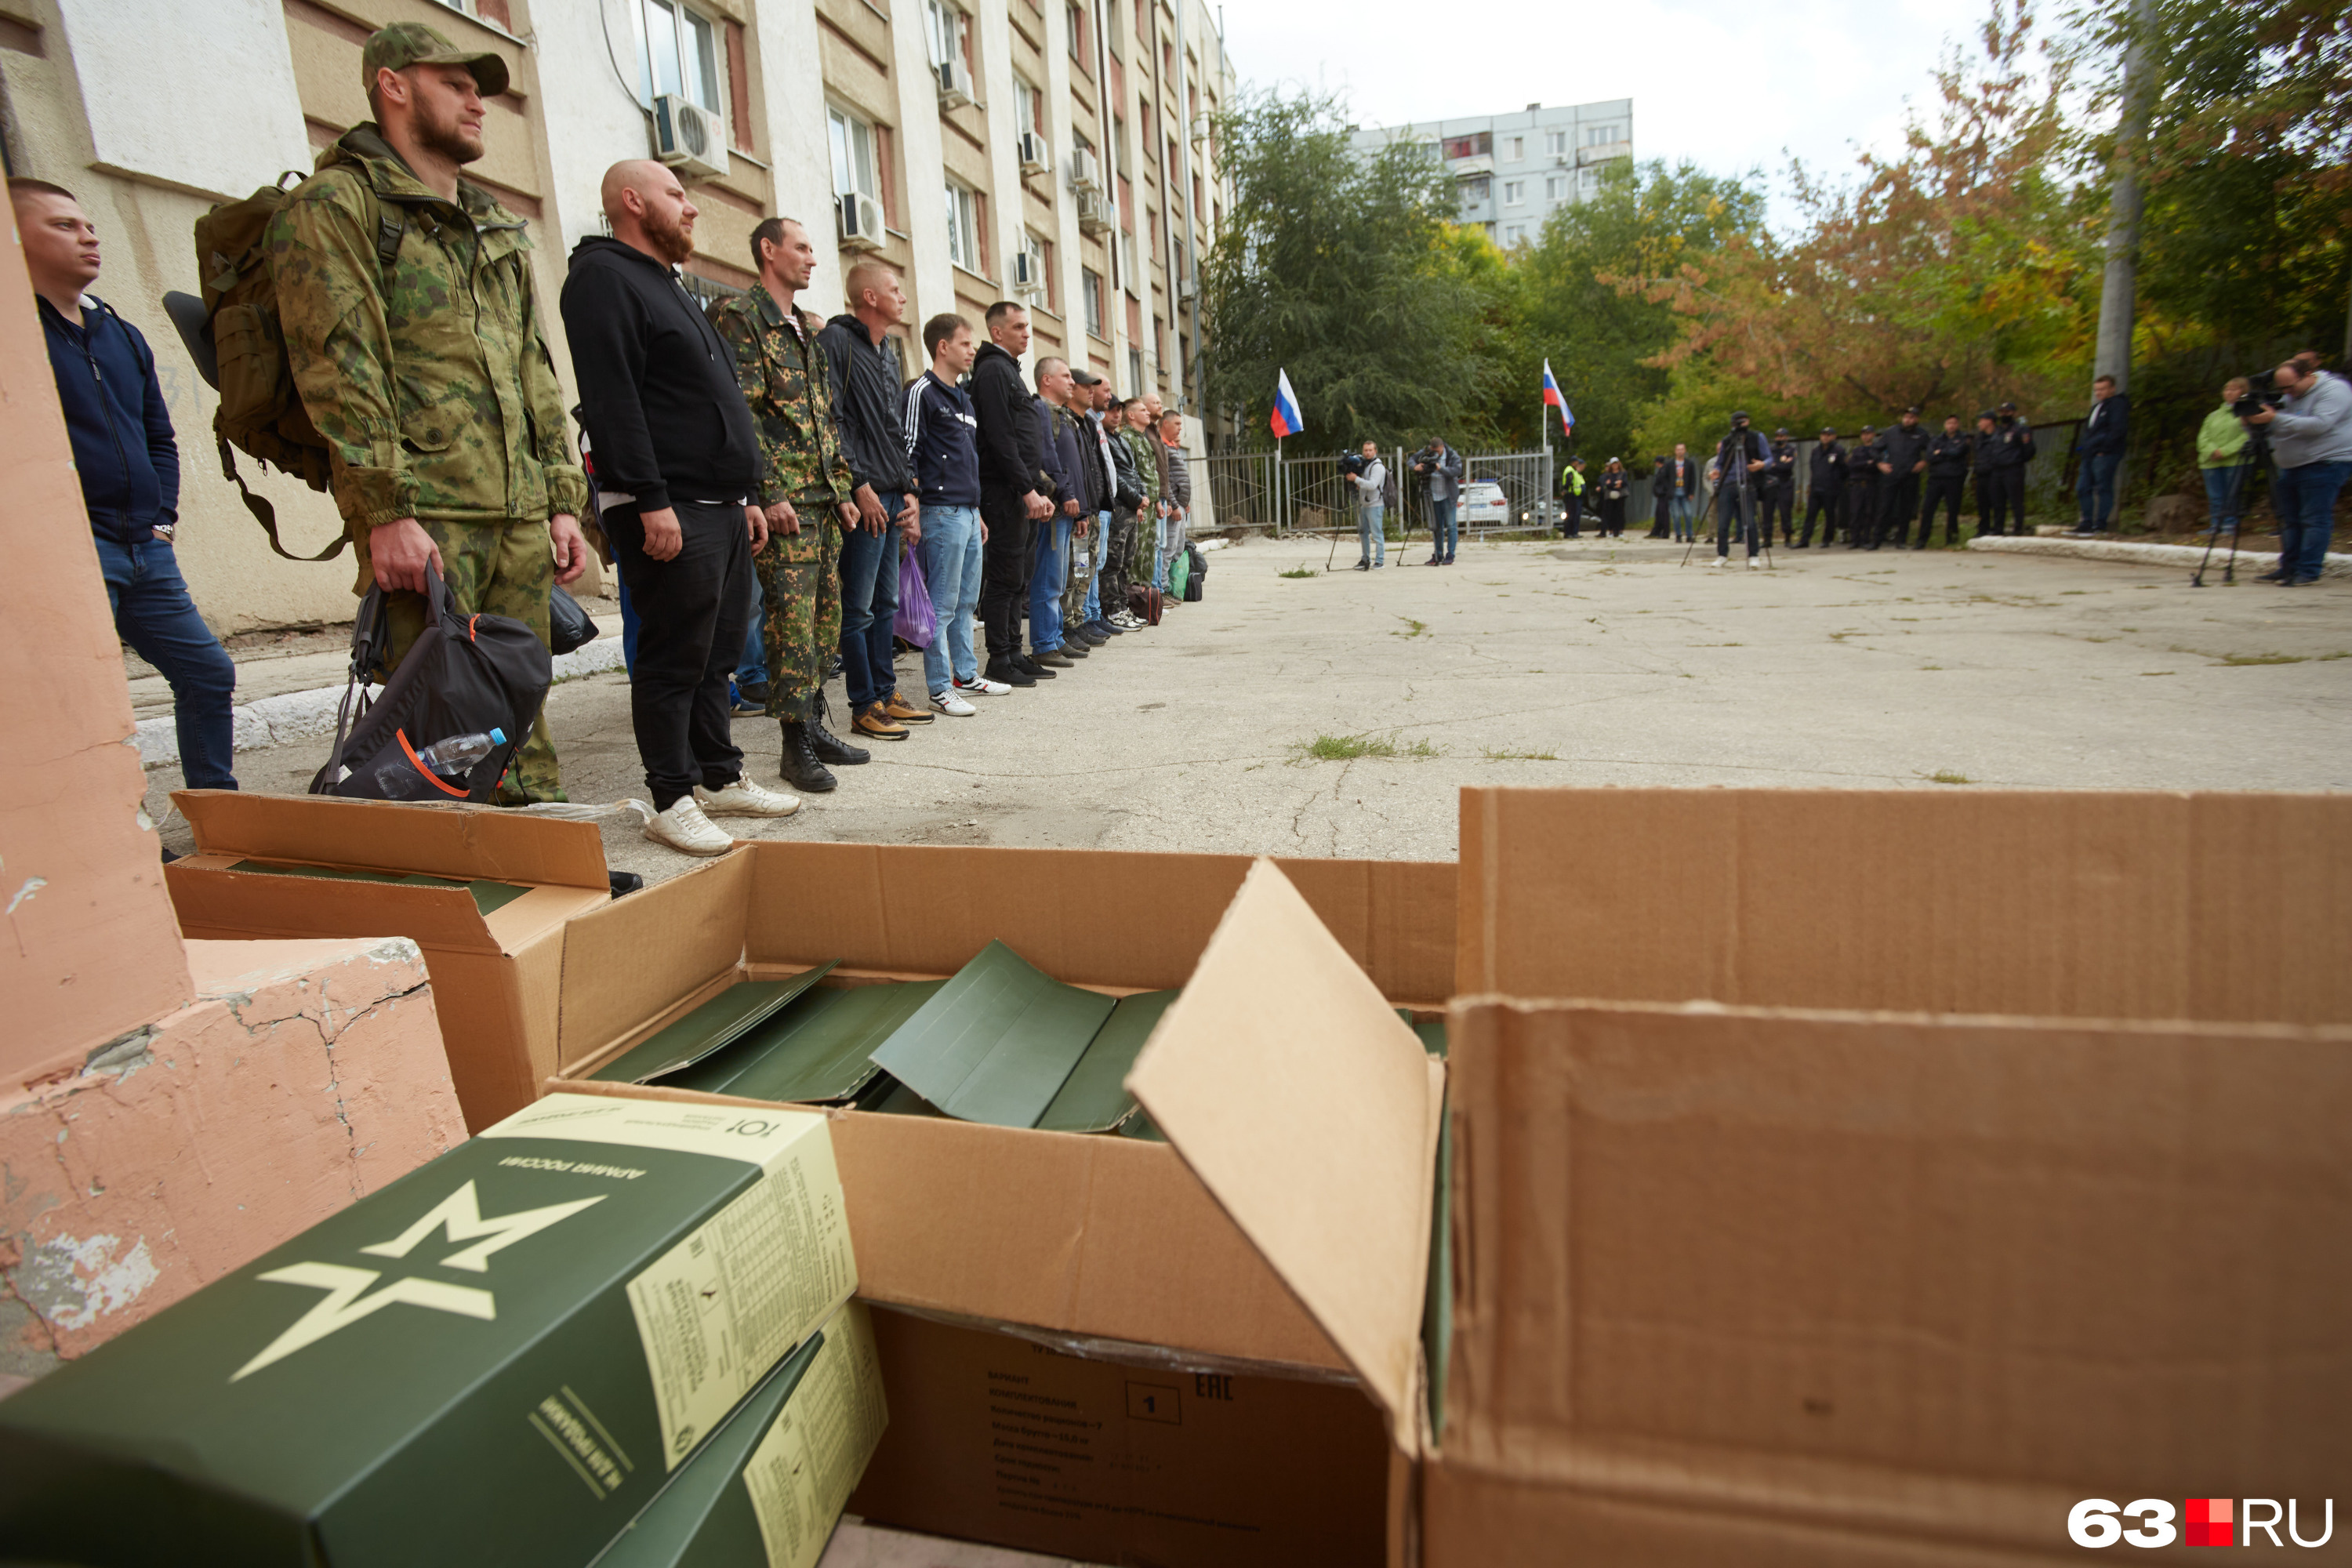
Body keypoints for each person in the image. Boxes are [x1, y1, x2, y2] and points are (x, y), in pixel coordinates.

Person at [270, 23, 589, 803]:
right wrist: (385, 509)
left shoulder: (491, 224)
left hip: (518, 512)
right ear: (394, 85)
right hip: (427, 513)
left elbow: (532, 366)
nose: (478, 102)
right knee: (435, 736)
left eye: (480, 89)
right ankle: (449, 889)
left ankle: (537, 866)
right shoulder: (336, 204)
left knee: (523, 714)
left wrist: (560, 499)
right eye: (458, 84)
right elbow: (340, 363)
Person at [562, 162, 799, 854]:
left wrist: (745, 496)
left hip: (718, 507)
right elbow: (614, 401)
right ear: (632, 202)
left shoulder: (667, 284)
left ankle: (719, 775)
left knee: (718, 654)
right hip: (666, 506)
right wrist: (648, 499)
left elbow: (707, 401)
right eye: (675, 195)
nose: (690, 208)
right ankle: (671, 795)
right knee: (673, 658)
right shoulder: (603, 278)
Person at [17, 177, 238, 797]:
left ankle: (220, 812)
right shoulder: (15, 333)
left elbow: (159, 439)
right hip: (71, 549)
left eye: (88, 224)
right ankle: (126, 832)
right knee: (89, 700)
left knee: (206, 673)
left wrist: (161, 521)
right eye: (63, 225)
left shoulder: (119, 334)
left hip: (144, 548)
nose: (88, 235)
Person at [706, 216, 877, 782]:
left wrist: (844, 487)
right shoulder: (741, 318)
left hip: (821, 501)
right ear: (768, 249)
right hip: (785, 506)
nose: (812, 258)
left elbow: (825, 420)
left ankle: (813, 724)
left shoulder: (804, 327)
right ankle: (792, 745)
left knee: (824, 625)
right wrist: (765, 491)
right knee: (789, 625)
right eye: (801, 247)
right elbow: (742, 414)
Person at [818, 257, 929, 749]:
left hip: (890, 491)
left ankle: (885, 692)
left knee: (886, 601)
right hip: (863, 496)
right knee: (858, 606)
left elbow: (891, 430)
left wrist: (909, 487)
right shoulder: (838, 342)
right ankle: (863, 704)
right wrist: (856, 484)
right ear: (869, 297)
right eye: (894, 289)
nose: (902, 297)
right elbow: (832, 420)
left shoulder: (889, 352)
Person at [904, 313, 1003, 709]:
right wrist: (912, 502)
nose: (973, 350)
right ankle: (940, 689)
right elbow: (908, 451)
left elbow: (969, 461)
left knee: (965, 602)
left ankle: (965, 675)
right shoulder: (922, 392)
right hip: (939, 513)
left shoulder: (964, 399)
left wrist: (977, 510)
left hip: (966, 512)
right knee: (941, 605)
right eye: (965, 343)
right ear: (943, 346)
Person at [971, 302, 1056, 685]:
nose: (1027, 333)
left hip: (1019, 490)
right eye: (1019, 326)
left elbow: (1022, 442)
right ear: (997, 332)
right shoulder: (992, 371)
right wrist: (1026, 490)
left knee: (1019, 576)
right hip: (1002, 490)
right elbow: (1001, 439)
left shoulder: (1009, 371)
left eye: (1028, 327)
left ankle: (1014, 652)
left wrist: (1036, 488)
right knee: (1005, 577)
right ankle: (999, 659)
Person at [2244, 353, 2352, 586]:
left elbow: (2319, 425)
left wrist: (2275, 418)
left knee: (2314, 519)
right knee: (2289, 520)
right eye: (2281, 388)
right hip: (2292, 466)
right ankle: (2289, 568)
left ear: (2308, 375)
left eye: (2290, 387)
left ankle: (2308, 571)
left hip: (2325, 463)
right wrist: (2254, 423)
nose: (2286, 393)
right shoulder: (2291, 395)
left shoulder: (2335, 390)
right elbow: (2281, 428)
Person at [1026, 358, 1086, 667]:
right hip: (1054, 507)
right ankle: (1044, 643)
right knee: (1047, 579)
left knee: (1059, 580)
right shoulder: (1042, 411)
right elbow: (1043, 459)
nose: (1072, 382)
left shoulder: (1062, 415)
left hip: (1066, 508)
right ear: (1046, 380)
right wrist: (1062, 493)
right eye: (1066, 376)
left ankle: (1055, 636)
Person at [1058, 368, 1112, 644]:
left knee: (1086, 569)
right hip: (1078, 512)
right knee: (1074, 570)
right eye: (1086, 387)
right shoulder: (1065, 423)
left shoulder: (1085, 424)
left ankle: (1079, 619)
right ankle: (1069, 624)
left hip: (1090, 511)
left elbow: (1092, 470)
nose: (1092, 391)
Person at [1098, 384, 1146, 630]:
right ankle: (1112, 610)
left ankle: (1124, 607)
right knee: (1112, 564)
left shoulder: (1119, 439)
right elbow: (1114, 476)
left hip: (1130, 508)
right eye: (1111, 410)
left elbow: (1133, 472)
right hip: (1118, 508)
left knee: (1125, 563)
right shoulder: (1103, 439)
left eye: (1118, 411)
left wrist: (1143, 496)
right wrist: (1136, 498)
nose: (1116, 415)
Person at [1117, 398, 1165, 612]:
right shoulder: (1127, 438)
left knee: (1148, 553)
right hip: (1138, 504)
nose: (1148, 413)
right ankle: (1135, 601)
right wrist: (1138, 503)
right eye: (1143, 410)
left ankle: (1147, 600)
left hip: (1150, 503)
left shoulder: (1142, 438)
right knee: (1136, 557)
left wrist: (1156, 502)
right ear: (1131, 415)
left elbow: (1150, 474)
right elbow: (1130, 475)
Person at [1710, 412, 1772, 567]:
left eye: (1742, 422)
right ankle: (1722, 555)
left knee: (1750, 521)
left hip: (1748, 482)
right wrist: (1716, 470)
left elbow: (1770, 459)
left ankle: (1753, 555)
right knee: (1723, 522)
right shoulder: (1727, 440)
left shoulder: (1757, 437)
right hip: (1728, 483)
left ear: (1748, 421)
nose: (1740, 425)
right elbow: (1720, 462)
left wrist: (1761, 465)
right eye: (1737, 422)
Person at [2197, 379, 2254, 541]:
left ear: (2243, 392)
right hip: (2210, 461)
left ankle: (2230, 525)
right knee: (2215, 495)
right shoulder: (2213, 415)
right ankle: (2216, 524)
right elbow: (2203, 436)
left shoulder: (2247, 413)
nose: (2228, 393)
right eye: (2226, 389)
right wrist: (2211, 451)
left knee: (2232, 494)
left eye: (2234, 389)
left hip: (2235, 461)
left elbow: (2247, 435)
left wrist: (2225, 451)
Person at [2074, 374, 2129, 535]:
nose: (2099, 392)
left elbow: (2117, 431)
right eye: (2096, 390)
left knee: (2103, 488)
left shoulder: (2118, 405)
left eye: (2103, 389)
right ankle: (2086, 523)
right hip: (2089, 455)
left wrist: (2103, 450)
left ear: (2112, 389)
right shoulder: (2096, 408)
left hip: (2105, 455)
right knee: (2082, 488)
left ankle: (2101, 524)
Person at [1876, 406, 1929, 549]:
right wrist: (1880, 463)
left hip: (1910, 475)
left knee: (1906, 509)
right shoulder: (1891, 432)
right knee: (1885, 507)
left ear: (1916, 419)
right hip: (1892, 474)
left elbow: (1931, 450)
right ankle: (1877, 539)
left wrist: (1924, 461)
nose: (1908, 420)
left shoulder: (1922, 434)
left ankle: (1901, 540)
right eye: (1906, 417)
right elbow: (1876, 449)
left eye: (1912, 417)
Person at [1921, 415, 1972, 547]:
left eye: (1954, 423)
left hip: (1954, 478)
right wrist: (1945, 453)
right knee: (1928, 509)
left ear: (1958, 425)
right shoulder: (1936, 439)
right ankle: (1922, 539)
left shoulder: (1963, 439)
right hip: (1936, 478)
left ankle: (1951, 538)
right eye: (1949, 423)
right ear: (1945, 425)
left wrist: (1941, 452)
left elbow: (1957, 452)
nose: (1951, 426)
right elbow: (1930, 456)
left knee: (1953, 509)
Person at [1414, 438, 1465, 564]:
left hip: (1448, 496)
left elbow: (1456, 471)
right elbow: (1411, 460)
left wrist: (1440, 468)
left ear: (1442, 447)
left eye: (1437, 450)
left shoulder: (1452, 455)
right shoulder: (1428, 452)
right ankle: (1438, 554)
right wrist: (1416, 466)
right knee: (1437, 527)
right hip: (1433, 496)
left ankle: (1450, 554)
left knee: (1451, 526)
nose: (1435, 453)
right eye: (1433, 450)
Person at [1158, 410, 1192, 595]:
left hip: (1179, 505)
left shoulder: (1171, 446)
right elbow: (1166, 479)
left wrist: (1184, 501)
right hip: (1173, 507)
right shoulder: (1162, 447)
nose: (1180, 428)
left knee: (1176, 548)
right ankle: (1163, 590)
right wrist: (1174, 502)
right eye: (1177, 424)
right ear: (1165, 424)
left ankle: (1169, 588)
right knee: (1167, 548)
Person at [1798, 426, 1844, 548]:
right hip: (1816, 488)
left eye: (1828, 435)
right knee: (1810, 515)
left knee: (1830, 515)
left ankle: (1827, 539)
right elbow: (1813, 468)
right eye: (1823, 435)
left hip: (1830, 489)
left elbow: (1844, 470)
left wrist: (1836, 482)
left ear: (1834, 436)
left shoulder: (1838, 451)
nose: (1825, 437)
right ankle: (1804, 540)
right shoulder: (1815, 451)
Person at [1994, 401, 2037, 530]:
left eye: (2007, 412)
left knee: (2016, 501)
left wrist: (2017, 461)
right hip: (1998, 470)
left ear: (2013, 413)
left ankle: (2018, 528)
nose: (2004, 414)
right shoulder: (1998, 430)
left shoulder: (2020, 429)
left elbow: (2029, 450)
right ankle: (1998, 529)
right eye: (2002, 412)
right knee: (1998, 501)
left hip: (2013, 469)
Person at [1844, 426, 1882, 548]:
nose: (1865, 436)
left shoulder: (1877, 450)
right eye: (1863, 434)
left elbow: (1877, 466)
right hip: (1857, 485)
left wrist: (1867, 465)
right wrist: (1866, 463)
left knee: (1869, 512)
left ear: (1873, 435)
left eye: (1868, 434)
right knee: (1855, 513)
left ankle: (1866, 538)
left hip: (1871, 484)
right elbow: (1851, 465)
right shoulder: (1857, 450)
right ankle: (1855, 539)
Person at [1352, 440, 1388, 568]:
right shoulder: (1365, 465)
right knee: (1363, 533)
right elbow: (1365, 483)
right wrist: (1359, 484)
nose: (1367, 453)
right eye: (1365, 450)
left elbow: (1373, 485)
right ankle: (1365, 558)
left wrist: (1356, 479)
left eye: (1370, 450)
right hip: (1365, 504)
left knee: (1377, 533)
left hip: (1375, 504)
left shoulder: (1377, 467)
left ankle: (1379, 560)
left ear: (1375, 451)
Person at [1759, 429, 1798, 546]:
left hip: (1785, 483)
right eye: (1778, 436)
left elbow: (1788, 466)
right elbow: (1766, 467)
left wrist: (1775, 465)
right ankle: (1767, 539)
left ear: (1787, 437)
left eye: (1782, 436)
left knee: (1785, 510)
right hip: (1770, 483)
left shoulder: (1791, 450)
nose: (1779, 438)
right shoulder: (1771, 450)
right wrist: (1777, 465)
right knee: (1767, 511)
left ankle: (1787, 538)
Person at [1664, 441, 1700, 543]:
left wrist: (1692, 492)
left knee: (1688, 514)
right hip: (1674, 494)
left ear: (1685, 451)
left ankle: (1689, 535)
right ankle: (1678, 535)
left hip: (1685, 493)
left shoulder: (1689, 464)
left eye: (1682, 449)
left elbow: (1693, 479)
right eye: (1678, 449)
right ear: (1675, 451)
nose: (1680, 451)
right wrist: (1668, 490)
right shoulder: (1670, 464)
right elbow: (1665, 478)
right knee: (1676, 515)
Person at [1593, 458, 1629, 538]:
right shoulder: (1608, 474)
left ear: (1619, 464)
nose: (1615, 465)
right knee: (1611, 514)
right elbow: (1607, 485)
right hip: (1610, 496)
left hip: (1620, 496)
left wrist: (1615, 483)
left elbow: (1624, 483)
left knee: (1620, 513)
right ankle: (1612, 531)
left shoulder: (1623, 473)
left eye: (1616, 463)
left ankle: (1620, 531)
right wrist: (1616, 483)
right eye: (1613, 464)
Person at [1646, 456, 1671, 539]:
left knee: (1664, 514)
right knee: (1659, 513)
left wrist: (1661, 491)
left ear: (1658, 462)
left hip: (1664, 495)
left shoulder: (1664, 471)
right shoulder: (1661, 470)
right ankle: (1657, 531)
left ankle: (1665, 533)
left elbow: (1664, 483)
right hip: (1661, 495)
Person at [1559, 456, 1585, 539]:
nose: (1578, 463)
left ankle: (1572, 533)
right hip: (1571, 494)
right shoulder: (1570, 470)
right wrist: (1565, 490)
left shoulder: (1572, 470)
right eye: (1577, 462)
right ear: (1573, 462)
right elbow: (1568, 482)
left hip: (1573, 495)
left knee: (1573, 514)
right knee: (1570, 514)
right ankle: (1568, 533)